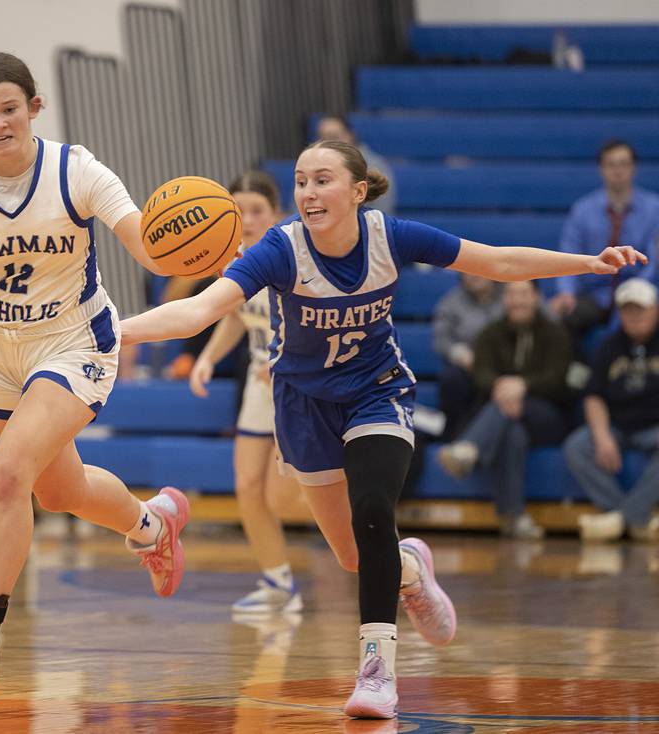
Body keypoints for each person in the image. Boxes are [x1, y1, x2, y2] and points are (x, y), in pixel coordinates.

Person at [119, 138, 645, 719]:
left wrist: (588, 262)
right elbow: (197, 311)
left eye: (322, 180)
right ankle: (412, 566)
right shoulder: (279, 249)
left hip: (377, 391)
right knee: (353, 555)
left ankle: (375, 671)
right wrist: (116, 329)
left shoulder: (389, 237)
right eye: (300, 181)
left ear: (357, 190)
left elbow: (496, 262)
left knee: (373, 513)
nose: (308, 192)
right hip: (303, 405)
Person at [0, 52, 190, 697]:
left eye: (8, 109)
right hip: (0, 354)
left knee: (7, 475)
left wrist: (201, 245)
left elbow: (145, 242)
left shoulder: (75, 171)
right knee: (58, 492)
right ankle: (153, 524)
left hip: (75, 341)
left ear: (34, 107)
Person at [189, 171, 307, 615]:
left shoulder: (290, 254)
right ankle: (278, 583)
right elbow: (236, 314)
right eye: (239, 210)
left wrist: (285, 364)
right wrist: (209, 358)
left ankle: (380, 545)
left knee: (290, 497)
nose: (249, 218)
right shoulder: (233, 257)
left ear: (275, 213)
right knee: (247, 486)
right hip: (261, 382)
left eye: (258, 209)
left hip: (299, 381)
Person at [437, 280, 572, 539]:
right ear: (504, 299)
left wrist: (523, 385)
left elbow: (558, 379)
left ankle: (470, 448)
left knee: (505, 410)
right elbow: (481, 373)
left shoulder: (555, 333)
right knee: (513, 431)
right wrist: (502, 385)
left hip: (547, 415)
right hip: (507, 414)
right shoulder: (491, 333)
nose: (517, 300)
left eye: (524, 294)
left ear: (536, 298)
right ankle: (513, 516)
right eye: (511, 294)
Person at [564, 278, 659, 542]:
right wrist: (602, 434)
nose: (634, 315)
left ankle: (618, 520)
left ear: (656, 310)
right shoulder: (608, 346)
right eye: (628, 310)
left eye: (640, 309)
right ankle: (633, 517)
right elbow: (593, 396)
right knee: (577, 446)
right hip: (617, 425)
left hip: (654, 427)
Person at [549, 139, 659, 349]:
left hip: (639, 288)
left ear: (633, 168)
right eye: (611, 164)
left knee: (640, 312)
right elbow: (568, 252)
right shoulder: (583, 210)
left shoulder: (655, 209)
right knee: (562, 318)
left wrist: (640, 288)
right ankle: (578, 376)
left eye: (623, 164)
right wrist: (567, 292)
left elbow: (654, 259)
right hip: (595, 294)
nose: (618, 171)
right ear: (602, 169)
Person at [432, 273, 502, 439]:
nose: (473, 276)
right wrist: (460, 353)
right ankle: (453, 436)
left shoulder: (509, 294)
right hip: (469, 366)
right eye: (467, 272)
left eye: (478, 271)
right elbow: (441, 340)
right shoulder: (451, 302)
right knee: (452, 380)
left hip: (504, 365)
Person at [316, 115, 396, 215]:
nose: (328, 144)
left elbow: (379, 215)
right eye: (323, 139)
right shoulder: (313, 167)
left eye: (334, 137)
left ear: (350, 135)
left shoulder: (374, 167)